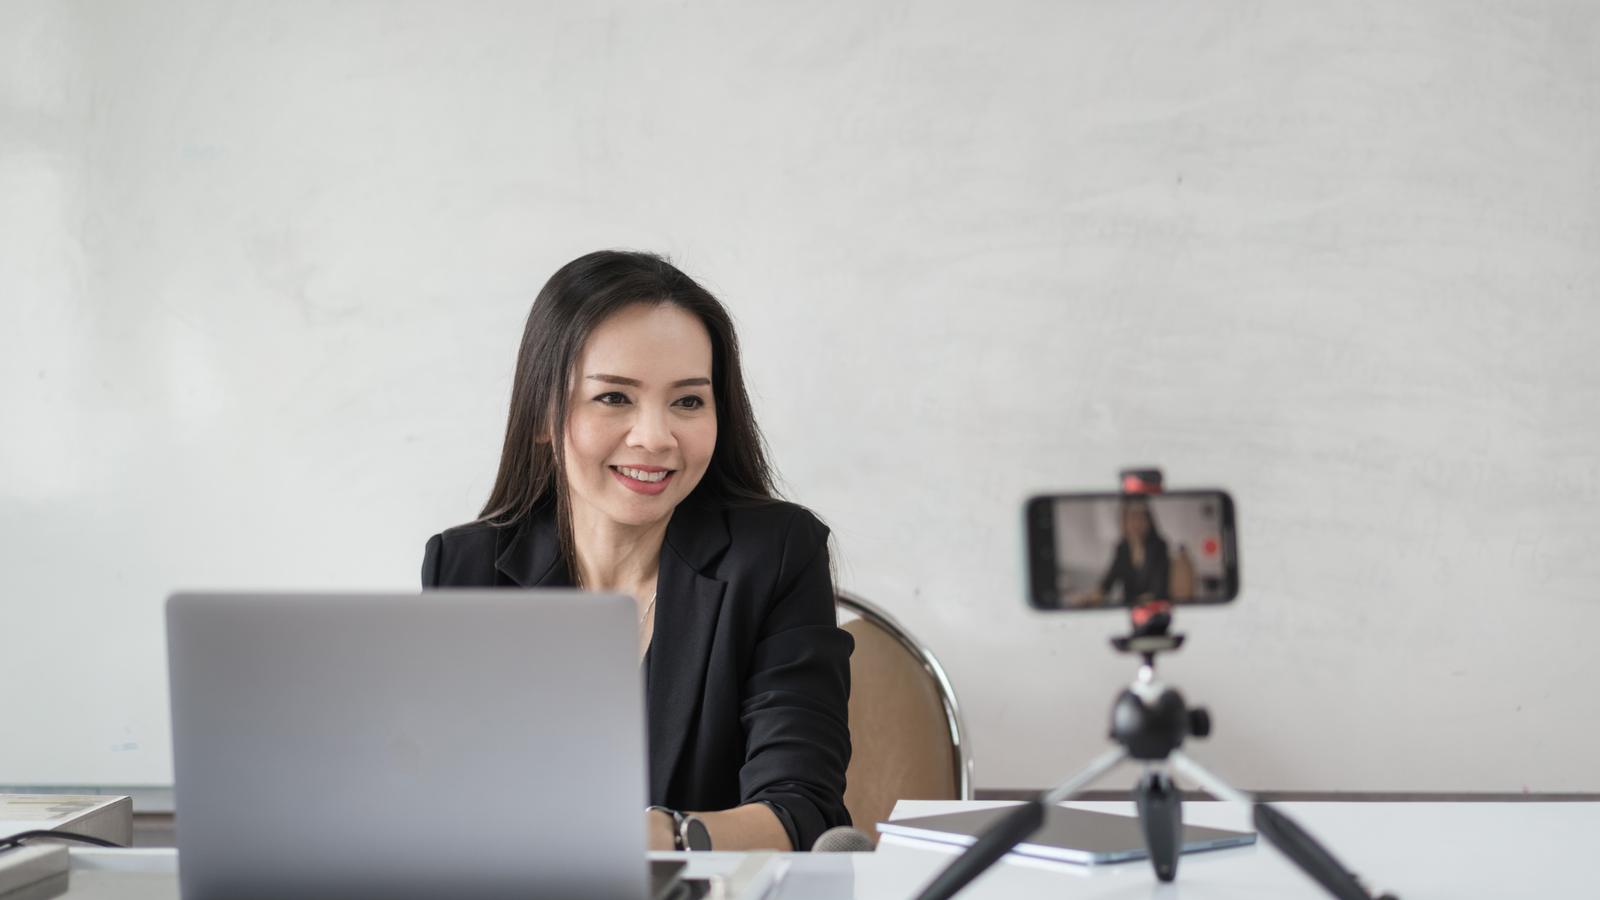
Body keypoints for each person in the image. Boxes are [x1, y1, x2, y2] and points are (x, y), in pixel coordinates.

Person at [421, 250, 853, 853]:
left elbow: (803, 810)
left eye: (688, 401)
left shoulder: (777, 554)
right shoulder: (466, 568)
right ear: (543, 414)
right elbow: (443, 809)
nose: (655, 437)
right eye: (614, 398)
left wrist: (661, 834)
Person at [1070, 498, 1170, 608]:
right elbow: (1107, 583)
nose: (1136, 524)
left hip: (1153, 610)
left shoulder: (1159, 547)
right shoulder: (1122, 549)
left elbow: (1158, 591)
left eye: (1140, 518)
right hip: (1129, 610)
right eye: (1131, 519)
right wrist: (1087, 597)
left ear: (1148, 521)